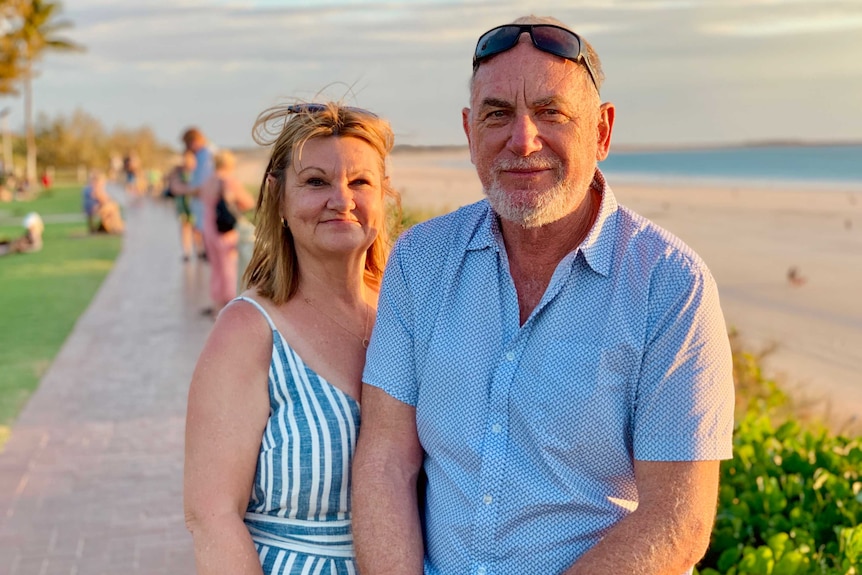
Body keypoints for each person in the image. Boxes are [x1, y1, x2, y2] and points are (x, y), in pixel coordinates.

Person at [352, 15, 736, 575]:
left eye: (551, 112)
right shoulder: (420, 260)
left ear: (601, 132)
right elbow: (386, 458)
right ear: (469, 132)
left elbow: (677, 520)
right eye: (497, 114)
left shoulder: (671, 287)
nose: (522, 139)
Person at [184, 101, 398, 574]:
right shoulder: (248, 329)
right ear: (279, 199)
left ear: (384, 196)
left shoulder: (407, 315)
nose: (341, 200)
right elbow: (212, 516)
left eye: (360, 182)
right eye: (316, 182)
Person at [197, 149, 256, 314]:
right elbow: (248, 202)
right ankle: (231, 306)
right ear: (229, 164)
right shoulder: (228, 180)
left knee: (216, 267)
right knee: (229, 267)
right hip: (224, 228)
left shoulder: (208, 181)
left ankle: (217, 304)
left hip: (208, 226)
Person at [182, 127, 215, 260]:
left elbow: (203, 182)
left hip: (205, 202)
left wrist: (184, 189)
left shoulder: (206, 155)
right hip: (200, 202)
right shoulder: (200, 155)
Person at [167, 150, 203, 261]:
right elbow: (174, 187)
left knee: (197, 228)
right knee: (185, 227)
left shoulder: (197, 171)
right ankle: (187, 252)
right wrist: (189, 190)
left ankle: (200, 250)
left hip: (194, 203)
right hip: (182, 203)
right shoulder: (178, 171)